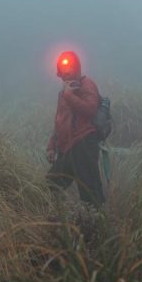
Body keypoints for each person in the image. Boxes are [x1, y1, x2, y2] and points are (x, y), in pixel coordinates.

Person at [46, 50, 105, 206]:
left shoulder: (87, 85)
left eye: (69, 67)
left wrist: (70, 96)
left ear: (77, 68)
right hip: (67, 148)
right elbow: (59, 121)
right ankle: (60, 219)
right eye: (63, 69)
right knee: (51, 183)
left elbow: (90, 109)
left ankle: (98, 225)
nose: (66, 72)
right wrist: (52, 146)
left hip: (84, 143)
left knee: (90, 194)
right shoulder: (64, 92)